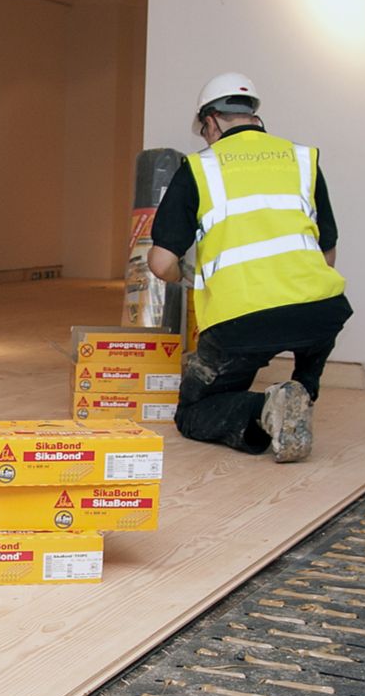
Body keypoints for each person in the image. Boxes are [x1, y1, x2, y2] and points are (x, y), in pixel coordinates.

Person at [148, 72, 351, 463]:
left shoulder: (199, 168)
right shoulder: (302, 159)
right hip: (321, 311)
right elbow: (328, 256)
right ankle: (301, 392)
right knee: (312, 333)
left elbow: (161, 264)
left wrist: (188, 280)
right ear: (252, 116)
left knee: (193, 412)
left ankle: (266, 409)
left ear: (210, 122)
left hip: (242, 320)